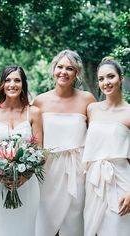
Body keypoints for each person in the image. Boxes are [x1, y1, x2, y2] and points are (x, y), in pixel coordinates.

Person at [34, 49, 96, 236]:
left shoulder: (87, 99)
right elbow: (35, 139)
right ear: (53, 69)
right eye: (60, 67)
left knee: (75, 219)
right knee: (45, 219)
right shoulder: (40, 101)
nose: (64, 72)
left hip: (77, 169)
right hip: (48, 169)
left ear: (77, 73)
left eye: (70, 68)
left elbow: (96, 134)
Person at [0, 65, 42, 236]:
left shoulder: (34, 113)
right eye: (8, 80)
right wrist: (2, 177)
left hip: (28, 184)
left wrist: (23, 177)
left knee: (27, 230)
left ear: (23, 84)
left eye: (17, 80)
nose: (12, 84)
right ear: (2, 84)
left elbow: (39, 151)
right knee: (1, 230)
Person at [82, 57, 130, 236]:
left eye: (111, 77)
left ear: (121, 78)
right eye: (101, 79)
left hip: (121, 181)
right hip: (93, 181)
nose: (106, 82)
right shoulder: (92, 109)